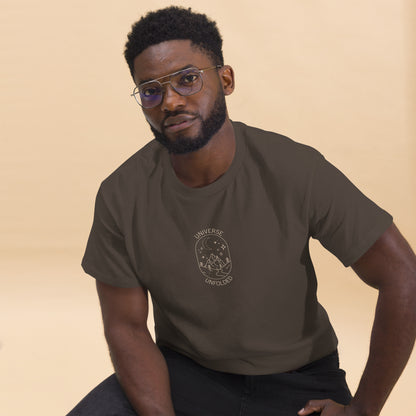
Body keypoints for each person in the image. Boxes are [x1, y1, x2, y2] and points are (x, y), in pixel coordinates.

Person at [67, 6, 416, 416]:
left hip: (297, 381)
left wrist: (362, 411)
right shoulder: (120, 195)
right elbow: (125, 325)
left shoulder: (294, 169)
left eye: (187, 79)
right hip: (184, 374)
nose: (171, 101)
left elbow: (402, 275)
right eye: (150, 91)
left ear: (225, 79)